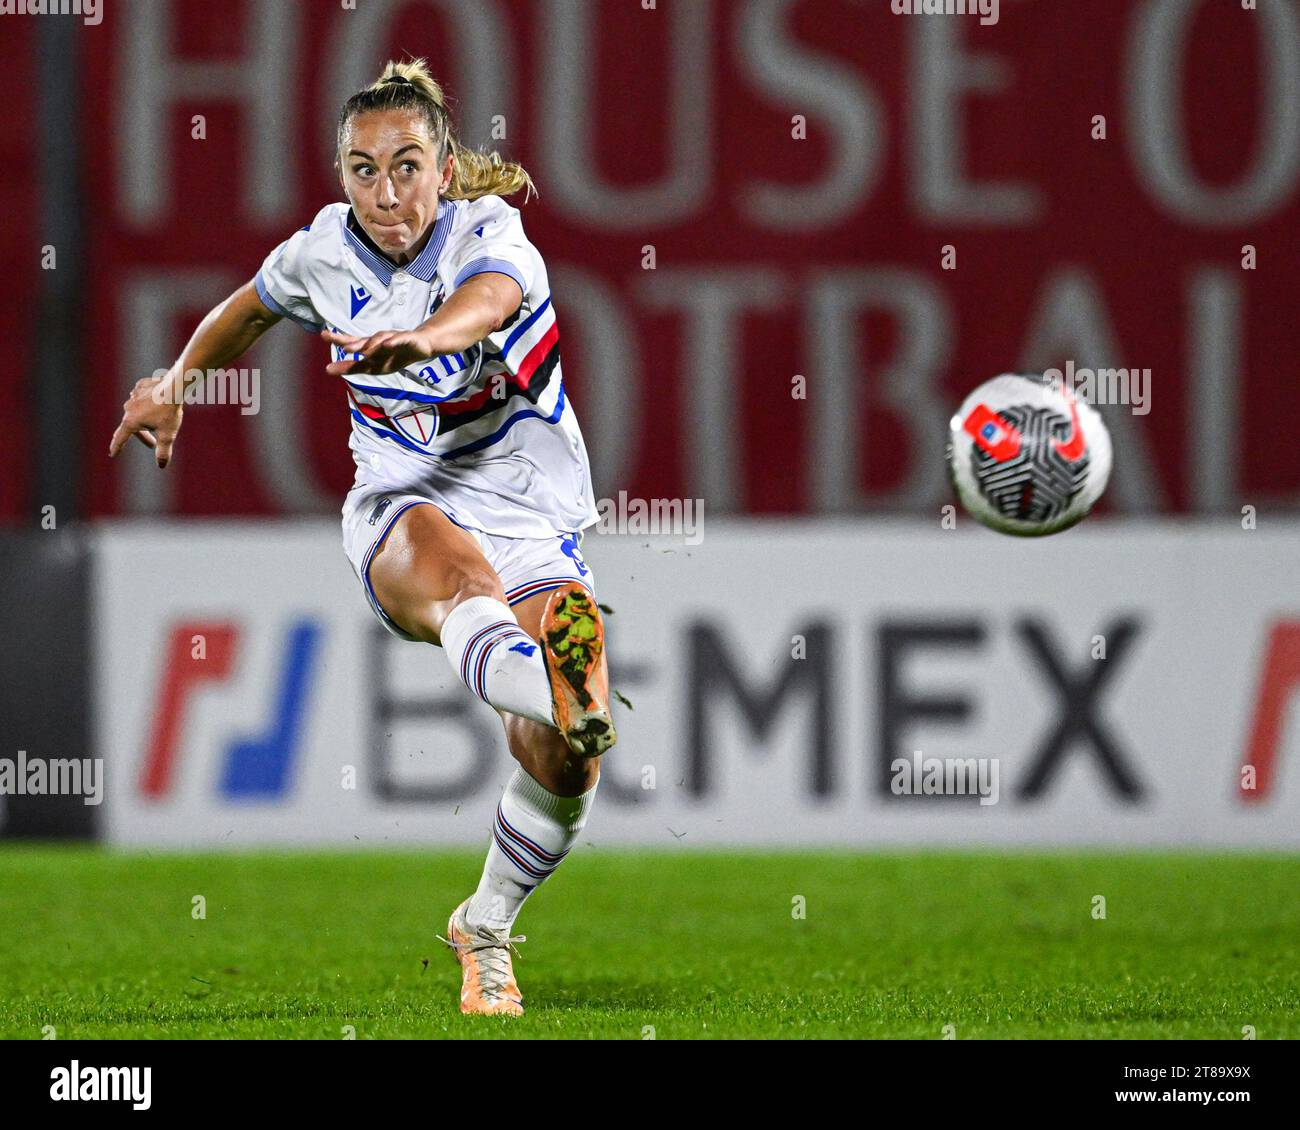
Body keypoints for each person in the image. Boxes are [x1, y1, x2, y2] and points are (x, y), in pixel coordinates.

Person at [109, 58, 617, 1018]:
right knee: (465, 583)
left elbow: (490, 302)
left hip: (528, 513)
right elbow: (249, 308)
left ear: (444, 166)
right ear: (340, 174)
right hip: (403, 504)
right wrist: (177, 382)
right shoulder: (323, 254)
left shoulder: (492, 234)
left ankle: (487, 924)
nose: (386, 194)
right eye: (362, 169)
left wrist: (423, 340)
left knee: (566, 756)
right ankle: (555, 683)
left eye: (408, 166)